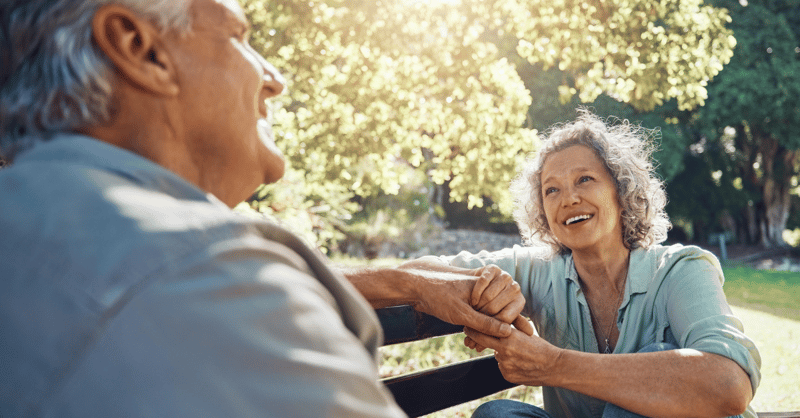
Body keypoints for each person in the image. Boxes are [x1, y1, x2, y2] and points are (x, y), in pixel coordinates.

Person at [0, 0, 529, 416]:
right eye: (236, 36)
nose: (274, 78)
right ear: (141, 49)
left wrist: (408, 281)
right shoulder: (206, 275)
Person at [404, 111, 762, 418]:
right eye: (552, 190)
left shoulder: (681, 270)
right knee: (498, 414)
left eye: (585, 180)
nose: (569, 199)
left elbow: (729, 384)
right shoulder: (538, 270)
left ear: (622, 192)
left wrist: (553, 365)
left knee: (652, 374)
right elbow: (426, 270)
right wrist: (471, 292)